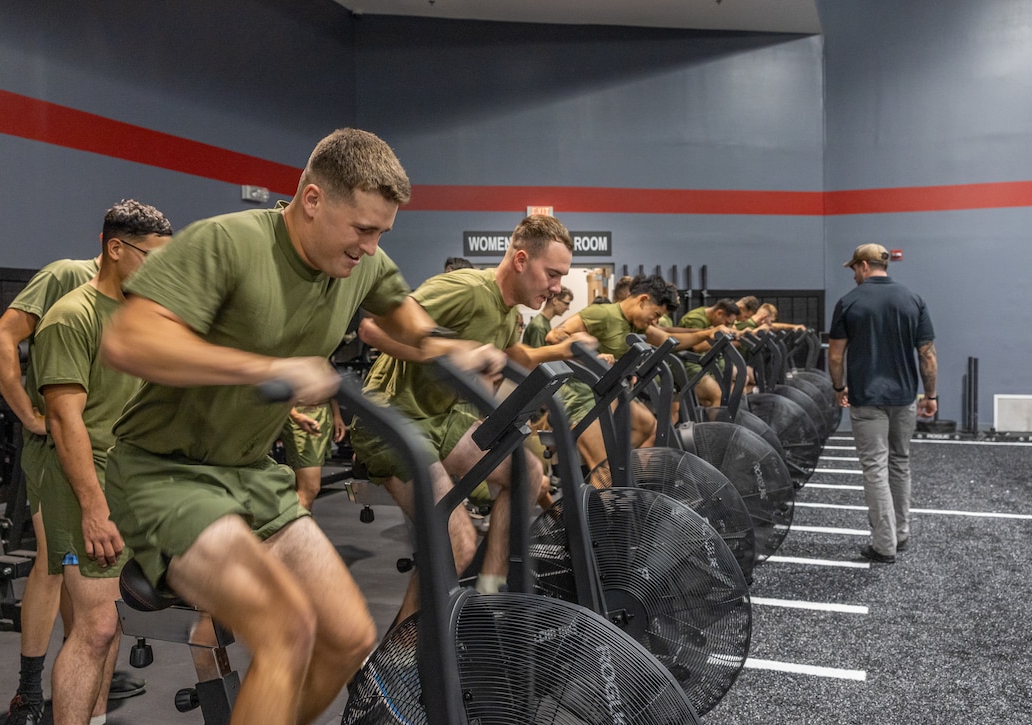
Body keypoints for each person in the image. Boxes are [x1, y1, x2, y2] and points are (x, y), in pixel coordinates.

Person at [100, 128, 498, 725]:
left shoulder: (360, 265)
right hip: (168, 472)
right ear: (312, 199)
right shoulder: (227, 242)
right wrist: (266, 368)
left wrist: (449, 347)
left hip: (254, 475)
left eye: (381, 233)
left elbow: (406, 314)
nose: (370, 246)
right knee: (287, 629)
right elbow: (128, 338)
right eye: (362, 229)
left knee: (347, 636)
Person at [352, 214, 593, 622]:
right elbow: (373, 329)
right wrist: (452, 352)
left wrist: (554, 356)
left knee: (528, 471)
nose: (557, 287)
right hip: (392, 420)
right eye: (552, 274)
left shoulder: (510, 315)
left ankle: (489, 596)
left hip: (441, 422)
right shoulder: (464, 288)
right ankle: (395, 658)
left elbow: (500, 363)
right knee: (457, 542)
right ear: (520, 260)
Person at [0, 248, 149, 725]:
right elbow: (1, 337)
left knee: (91, 600)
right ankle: (29, 689)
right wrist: (27, 414)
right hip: (55, 451)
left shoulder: (138, 297)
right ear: (115, 247)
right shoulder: (67, 277)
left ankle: (81, 662)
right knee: (54, 565)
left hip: (107, 458)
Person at [31, 200, 172, 725]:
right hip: (81, 485)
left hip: (130, 482)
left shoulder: (141, 314)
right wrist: (93, 509)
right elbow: (66, 424)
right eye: (151, 258)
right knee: (93, 627)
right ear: (116, 248)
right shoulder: (72, 317)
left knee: (110, 621)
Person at [828, 243, 937, 564]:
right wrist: (929, 396)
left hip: (867, 397)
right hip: (904, 397)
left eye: (854, 270)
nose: (854, 276)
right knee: (899, 462)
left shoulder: (849, 302)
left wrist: (838, 387)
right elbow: (927, 354)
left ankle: (884, 544)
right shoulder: (913, 299)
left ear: (863, 265)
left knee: (875, 467)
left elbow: (835, 355)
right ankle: (900, 534)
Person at [546, 274, 720, 475]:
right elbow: (554, 336)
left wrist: (708, 333)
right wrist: (591, 354)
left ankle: (624, 479)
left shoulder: (635, 324)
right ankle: (602, 490)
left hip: (606, 394)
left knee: (649, 427)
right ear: (643, 300)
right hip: (582, 398)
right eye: (655, 314)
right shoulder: (603, 313)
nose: (655, 321)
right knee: (605, 473)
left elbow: (669, 339)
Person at [279, 396, 346, 510]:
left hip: (323, 411)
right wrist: (295, 415)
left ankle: (302, 521)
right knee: (310, 488)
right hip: (300, 412)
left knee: (304, 486)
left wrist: (336, 414)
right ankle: (296, 525)